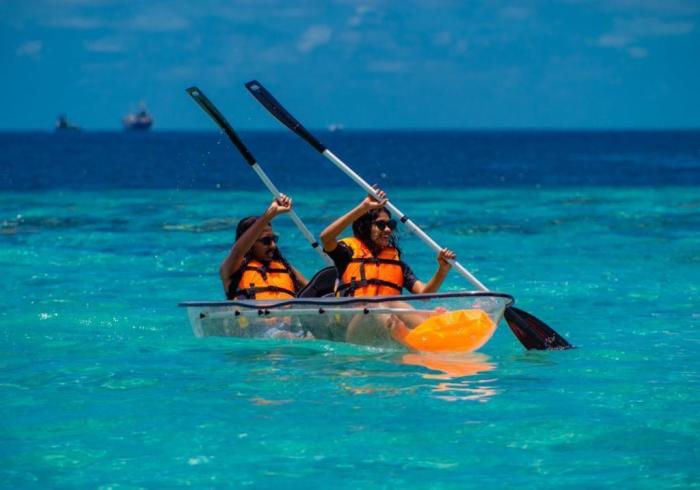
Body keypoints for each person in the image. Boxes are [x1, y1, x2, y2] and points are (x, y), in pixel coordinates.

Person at [319, 187, 456, 344]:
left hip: (387, 325)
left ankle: (431, 334)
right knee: (377, 306)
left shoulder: (396, 263)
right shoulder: (346, 255)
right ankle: (416, 338)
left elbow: (425, 294)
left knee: (394, 304)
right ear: (365, 226)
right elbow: (326, 237)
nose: (388, 229)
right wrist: (363, 207)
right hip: (352, 331)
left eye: (390, 224)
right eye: (381, 225)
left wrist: (442, 270)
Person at [221, 194, 307, 300]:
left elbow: (314, 290)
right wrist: (270, 213)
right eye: (266, 241)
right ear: (250, 244)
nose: (273, 245)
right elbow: (238, 251)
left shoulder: (286, 268)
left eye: (274, 239)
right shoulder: (231, 269)